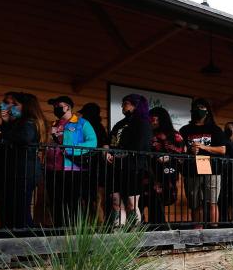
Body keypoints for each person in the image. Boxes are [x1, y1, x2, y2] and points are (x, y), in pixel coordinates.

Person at [0, 92, 46, 229]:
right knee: (10, 209)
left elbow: (24, 138)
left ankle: (25, 242)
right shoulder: (16, 122)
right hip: (14, 171)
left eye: (15, 104)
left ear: (25, 107)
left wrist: (0, 135)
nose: (9, 107)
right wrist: (4, 123)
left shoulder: (29, 122)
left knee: (20, 210)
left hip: (23, 172)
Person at [45, 95, 97, 228]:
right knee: (56, 202)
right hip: (53, 169)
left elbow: (92, 142)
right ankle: (58, 231)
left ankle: (73, 234)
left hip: (73, 169)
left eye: (58, 106)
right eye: (54, 106)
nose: (55, 108)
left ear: (67, 107)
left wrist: (72, 150)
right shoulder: (54, 124)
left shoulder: (81, 122)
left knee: (72, 203)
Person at [178, 98, 226, 227]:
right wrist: (189, 151)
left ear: (207, 111)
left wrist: (204, 147)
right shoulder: (184, 130)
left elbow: (222, 149)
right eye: (196, 107)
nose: (199, 110)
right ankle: (197, 232)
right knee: (195, 202)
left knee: (212, 201)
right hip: (191, 167)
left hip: (210, 166)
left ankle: (213, 232)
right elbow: (180, 150)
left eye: (202, 107)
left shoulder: (215, 129)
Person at [107, 94, 152, 225]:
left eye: (125, 103)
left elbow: (141, 146)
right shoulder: (119, 124)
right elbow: (109, 141)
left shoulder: (143, 123)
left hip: (134, 167)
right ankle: (119, 233)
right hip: (115, 167)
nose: (122, 106)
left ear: (135, 105)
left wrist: (121, 154)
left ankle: (134, 235)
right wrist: (107, 152)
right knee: (116, 202)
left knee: (132, 203)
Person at [145, 107, 184, 225]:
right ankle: (153, 227)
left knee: (159, 200)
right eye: (150, 119)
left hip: (166, 174)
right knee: (148, 200)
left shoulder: (175, 135)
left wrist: (169, 157)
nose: (152, 122)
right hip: (148, 172)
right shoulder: (148, 134)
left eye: (154, 119)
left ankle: (158, 227)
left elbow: (181, 155)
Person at [77, 102, 110, 220]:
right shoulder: (100, 127)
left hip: (89, 166)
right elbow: (106, 146)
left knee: (91, 198)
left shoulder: (85, 126)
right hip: (97, 166)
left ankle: (95, 223)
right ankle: (97, 224)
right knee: (95, 198)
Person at [219, 121, 233, 223]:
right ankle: (223, 222)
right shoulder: (222, 142)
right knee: (222, 200)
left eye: (229, 129)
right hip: (224, 176)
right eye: (225, 128)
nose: (227, 131)